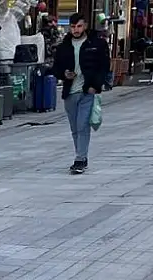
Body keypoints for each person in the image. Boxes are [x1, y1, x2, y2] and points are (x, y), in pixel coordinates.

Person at [52, 13, 110, 174]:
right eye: (72, 27)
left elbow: (104, 66)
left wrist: (95, 86)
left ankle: (80, 158)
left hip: (87, 90)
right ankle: (81, 156)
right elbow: (55, 68)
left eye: (78, 26)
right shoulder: (64, 46)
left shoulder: (97, 44)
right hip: (70, 92)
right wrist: (64, 74)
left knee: (82, 125)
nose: (76, 30)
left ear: (84, 26)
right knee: (74, 127)